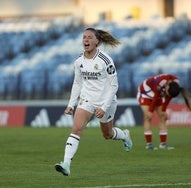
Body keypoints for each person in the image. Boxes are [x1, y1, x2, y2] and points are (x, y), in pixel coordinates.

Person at [55, 27, 133, 176]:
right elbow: (77, 83)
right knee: (76, 129)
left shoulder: (105, 60)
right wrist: (71, 104)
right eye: (84, 37)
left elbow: (114, 85)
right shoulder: (78, 61)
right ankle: (66, 164)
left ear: (97, 42)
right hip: (87, 99)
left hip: (106, 101)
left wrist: (104, 106)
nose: (86, 40)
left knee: (107, 134)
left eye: (90, 37)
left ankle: (124, 135)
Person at [137, 73, 191, 150]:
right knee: (148, 117)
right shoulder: (161, 82)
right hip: (145, 92)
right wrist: (150, 111)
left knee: (163, 117)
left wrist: (163, 111)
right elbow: (156, 97)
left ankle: (163, 144)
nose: (167, 94)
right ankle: (149, 144)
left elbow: (168, 97)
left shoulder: (175, 83)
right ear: (167, 86)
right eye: (166, 92)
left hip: (157, 95)